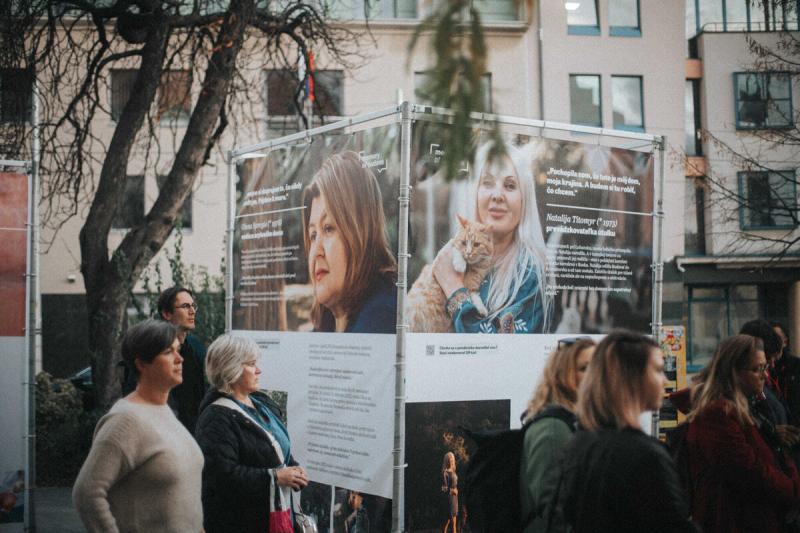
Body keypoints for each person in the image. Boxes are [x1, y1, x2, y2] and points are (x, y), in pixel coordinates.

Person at [556, 330, 696, 532]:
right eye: (657, 370)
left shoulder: (579, 442)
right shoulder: (644, 455)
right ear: (632, 377)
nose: (665, 380)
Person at [73, 319, 204, 532]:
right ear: (141, 363)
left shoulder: (165, 412)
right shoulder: (126, 420)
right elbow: (87, 493)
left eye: (178, 350)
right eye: (168, 352)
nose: (180, 359)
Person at [433, 141, 551, 333]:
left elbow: (497, 354)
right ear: (475, 193)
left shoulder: (529, 273)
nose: (497, 195)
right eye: (487, 183)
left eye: (510, 185)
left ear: (524, 199)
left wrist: (454, 290)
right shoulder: (455, 254)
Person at [195, 334, 308, 532]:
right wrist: (276, 477)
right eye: (252, 364)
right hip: (240, 523)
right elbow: (222, 477)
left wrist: (293, 467)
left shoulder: (261, 404)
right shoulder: (215, 418)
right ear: (232, 368)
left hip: (273, 516)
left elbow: (274, 447)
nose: (259, 370)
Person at [687, 334, 800, 532]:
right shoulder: (718, 414)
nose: (765, 375)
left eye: (765, 367)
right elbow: (751, 471)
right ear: (733, 372)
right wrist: (792, 487)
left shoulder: (746, 407)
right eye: (758, 369)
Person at [302, 150, 397, 333]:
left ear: (359, 230)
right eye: (313, 235)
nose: (316, 252)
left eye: (328, 228)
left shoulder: (381, 316)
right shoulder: (327, 322)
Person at [518, 336, 595, 533]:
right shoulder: (553, 428)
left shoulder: (577, 422)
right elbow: (552, 514)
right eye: (584, 368)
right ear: (563, 375)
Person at [158, 286, 208, 431]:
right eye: (185, 306)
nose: (192, 311)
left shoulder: (196, 346)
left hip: (197, 430)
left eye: (193, 306)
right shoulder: (154, 350)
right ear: (167, 314)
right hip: (167, 431)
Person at [441, 451, 458, 533]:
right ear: (446, 461)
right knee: (448, 522)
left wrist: (456, 490)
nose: (450, 461)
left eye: (452, 459)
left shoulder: (453, 471)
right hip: (449, 499)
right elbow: (444, 489)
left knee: (453, 522)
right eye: (449, 459)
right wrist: (453, 491)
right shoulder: (445, 473)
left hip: (455, 499)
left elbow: (455, 484)